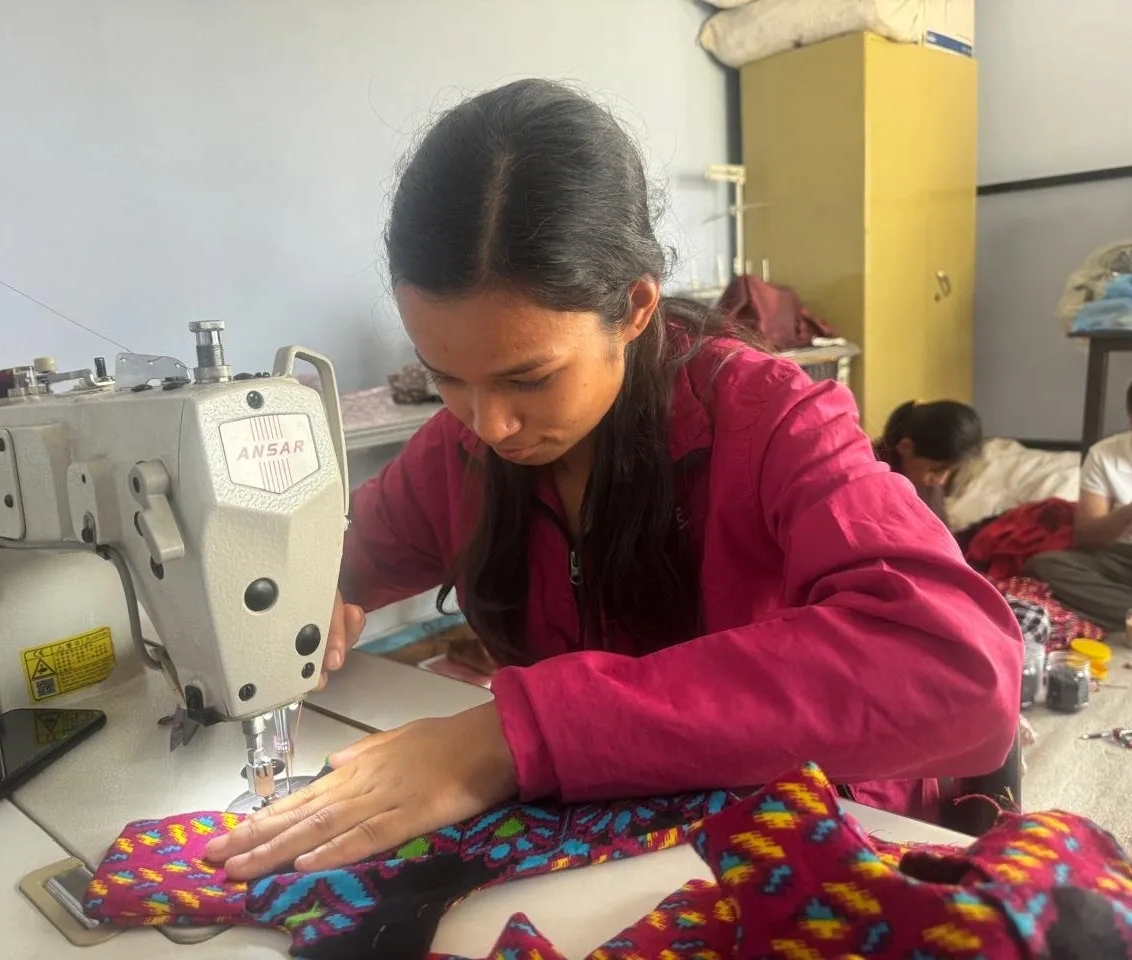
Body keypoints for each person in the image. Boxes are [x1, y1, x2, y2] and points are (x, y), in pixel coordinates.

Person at [206, 80, 1022, 880]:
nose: (487, 425)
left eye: (529, 378)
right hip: (619, 844)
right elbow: (337, 559)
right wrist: (305, 590)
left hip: (806, 832)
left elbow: (961, 670)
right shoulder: (456, 449)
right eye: (446, 375)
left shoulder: (771, 420)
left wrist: (513, 735)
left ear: (634, 308)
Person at [1024, 383, 1132, 631]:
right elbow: (1087, 538)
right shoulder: (1105, 455)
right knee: (1045, 566)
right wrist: (1128, 512)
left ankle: (1119, 614)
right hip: (1119, 559)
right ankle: (1124, 613)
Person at [874, 399, 983, 528]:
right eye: (935, 469)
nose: (941, 480)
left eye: (950, 471)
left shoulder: (929, 489)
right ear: (906, 447)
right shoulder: (872, 480)